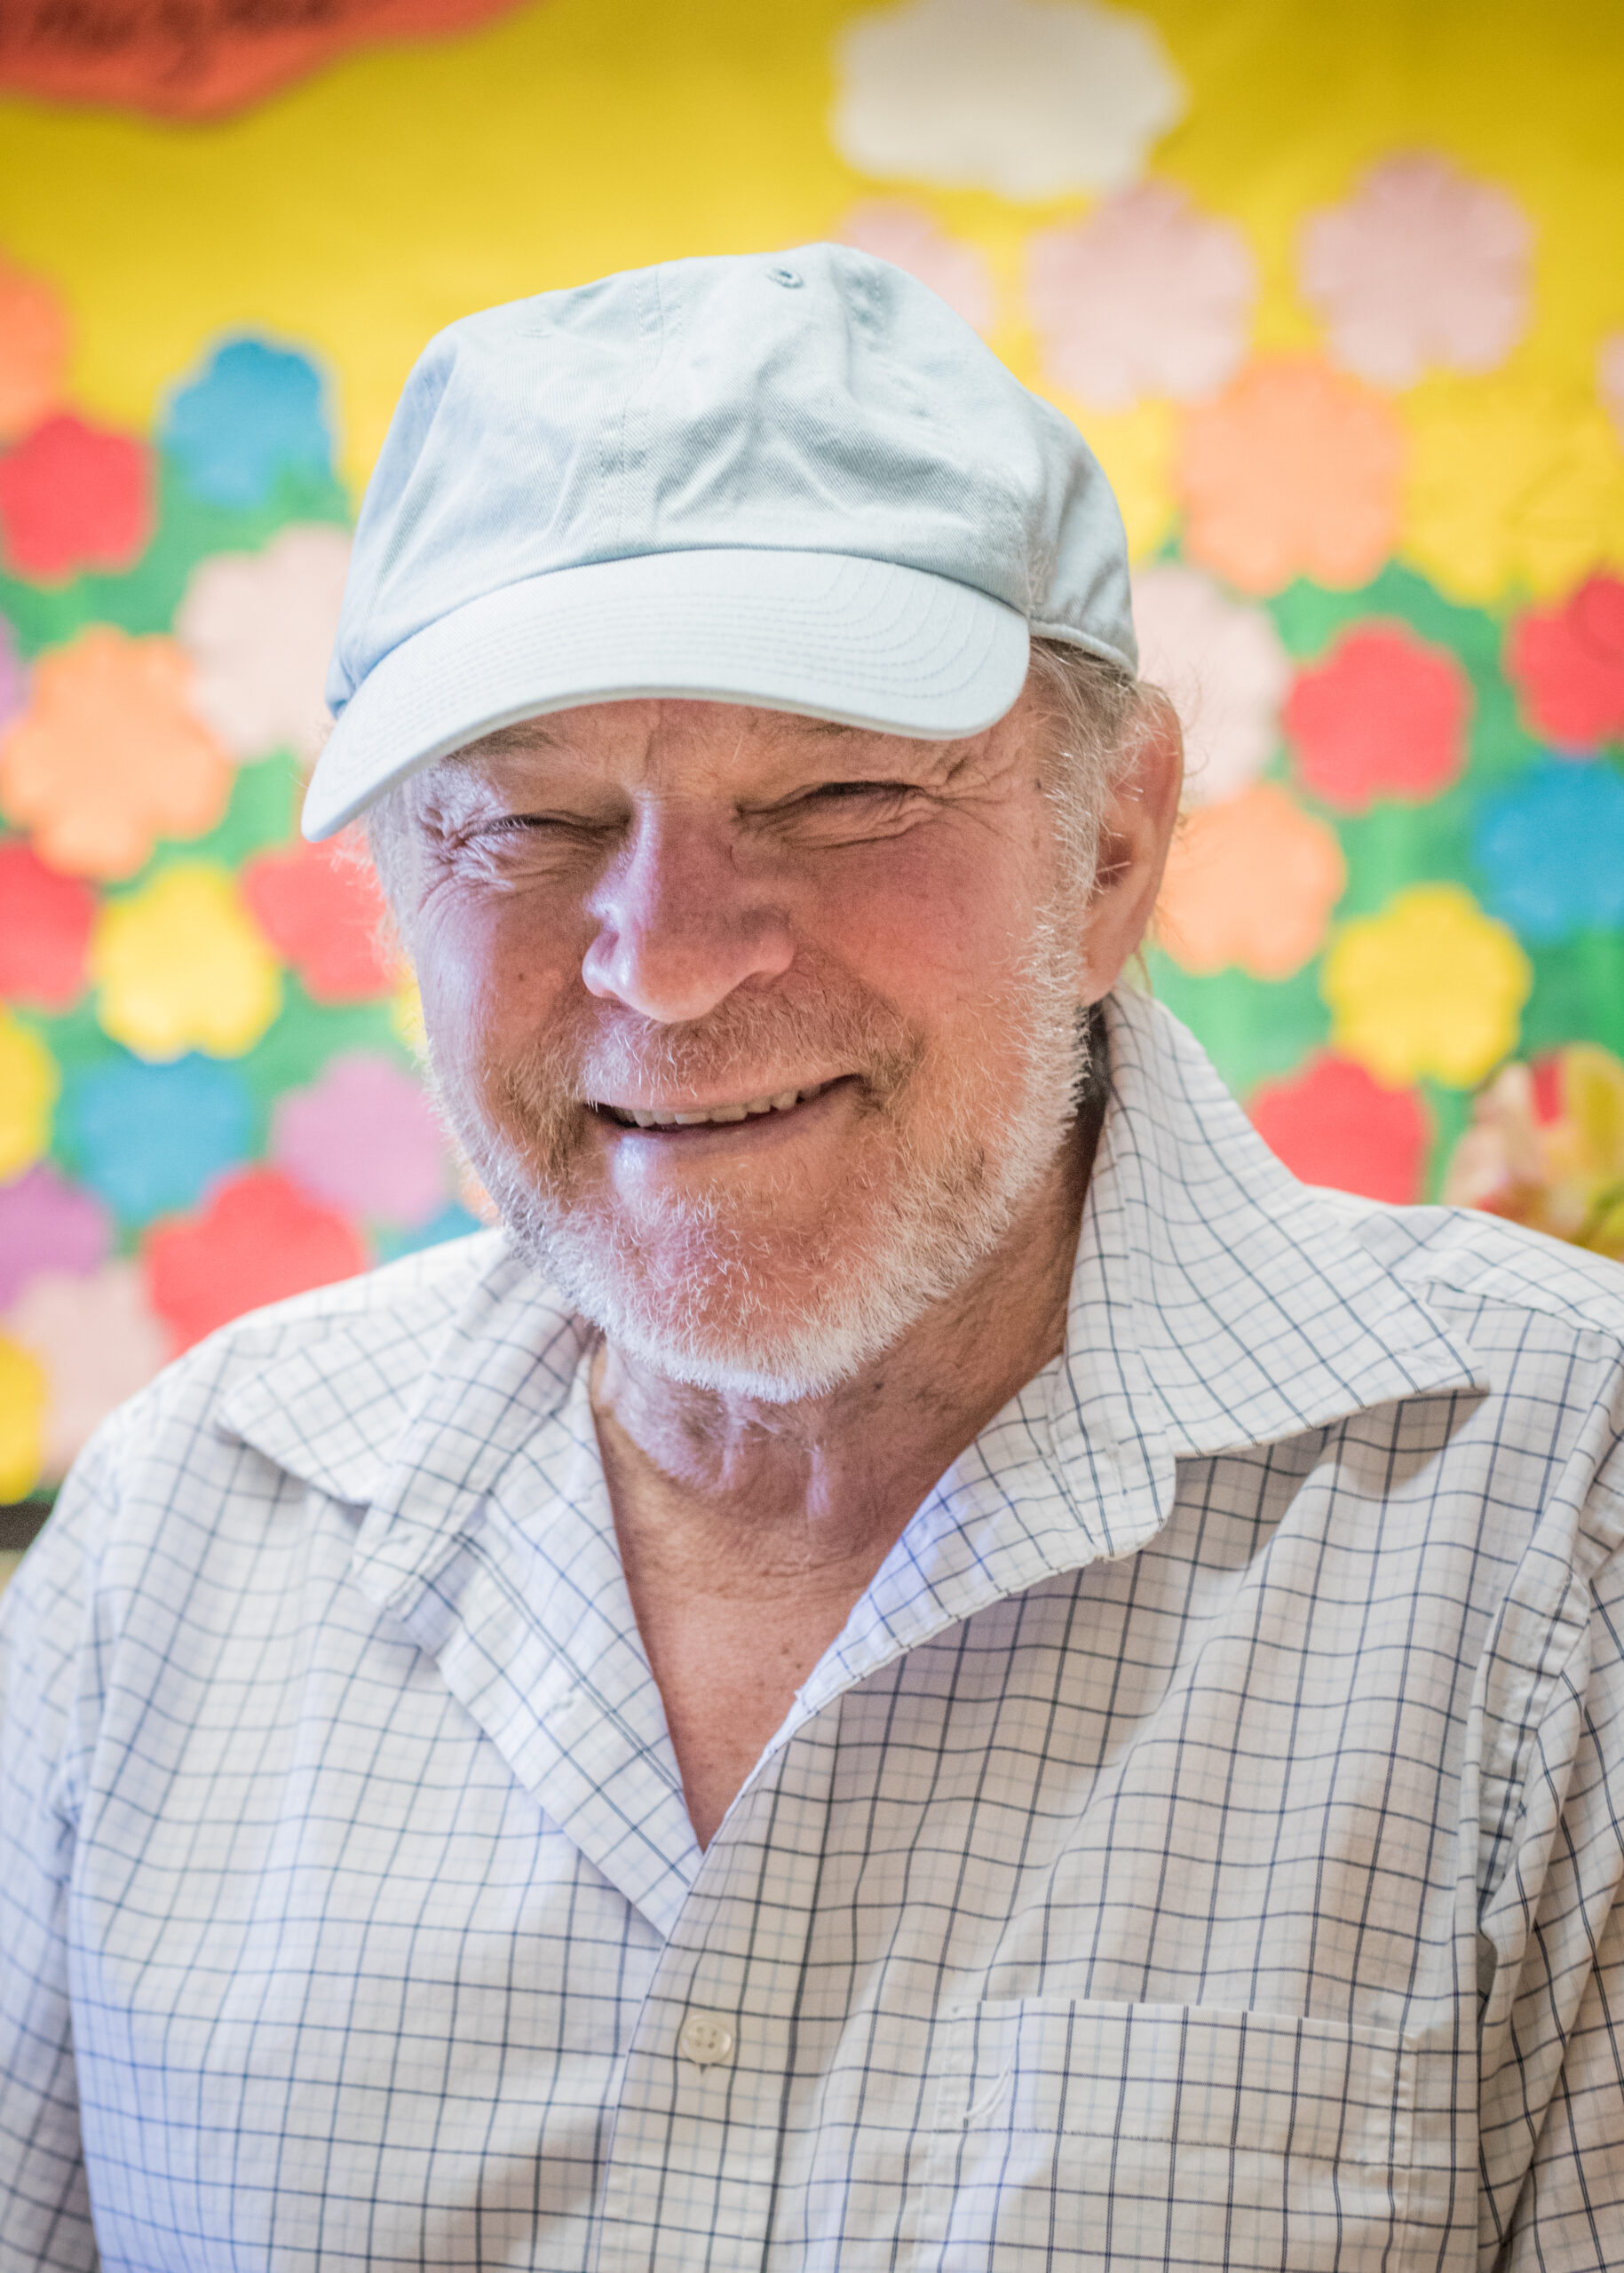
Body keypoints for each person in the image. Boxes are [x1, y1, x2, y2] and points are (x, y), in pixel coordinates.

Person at [3, 245, 1622, 2273]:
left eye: (844, 789)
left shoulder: (1559, 1511)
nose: (670, 961)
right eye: (532, 821)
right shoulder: (185, 1532)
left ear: (1112, 842)